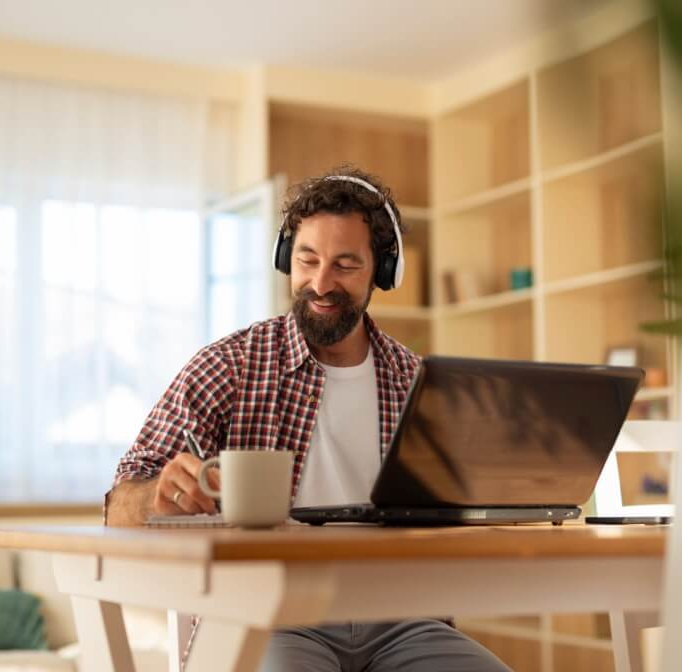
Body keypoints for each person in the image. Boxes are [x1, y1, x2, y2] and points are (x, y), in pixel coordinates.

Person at [106, 166, 511, 672]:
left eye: (345, 264)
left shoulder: (416, 381)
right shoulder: (229, 366)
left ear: (382, 272)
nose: (321, 282)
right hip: (270, 614)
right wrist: (156, 496)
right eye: (307, 259)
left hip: (403, 618)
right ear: (285, 259)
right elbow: (118, 506)